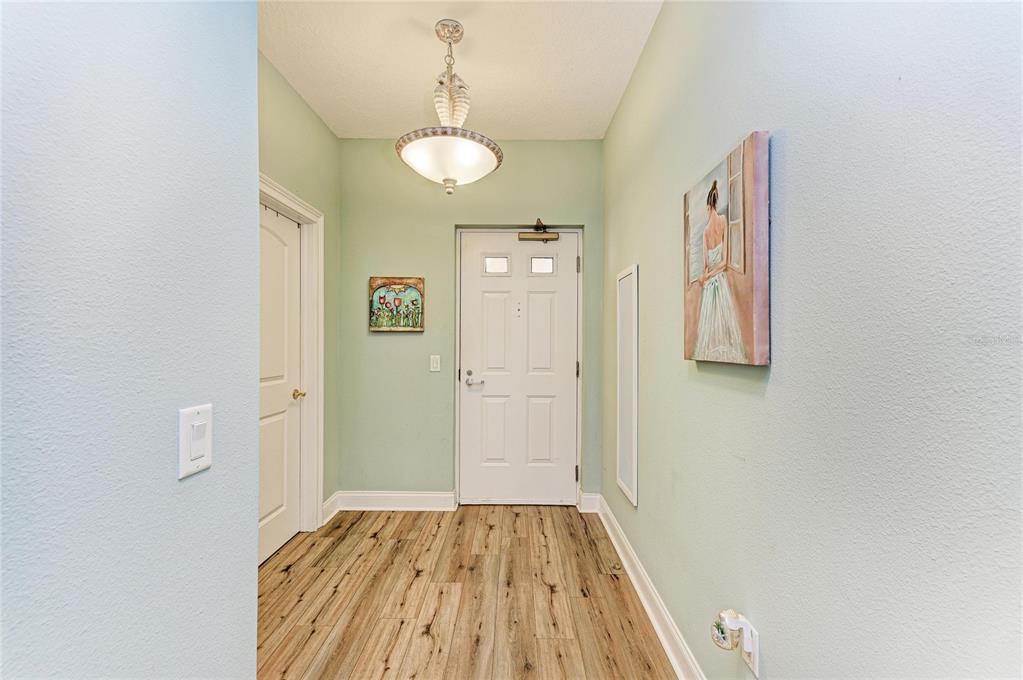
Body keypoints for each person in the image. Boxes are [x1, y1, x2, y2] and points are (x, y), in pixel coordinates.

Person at [693, 180, 748, 363]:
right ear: (716, 203)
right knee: (723, 323)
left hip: (711, 283)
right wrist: (711, 274)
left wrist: (706, 276)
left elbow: (706, 266)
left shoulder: (706, 233)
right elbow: (724, 262)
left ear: (709, 206)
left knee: (711, 326)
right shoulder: (723, 221)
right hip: (720, 280)